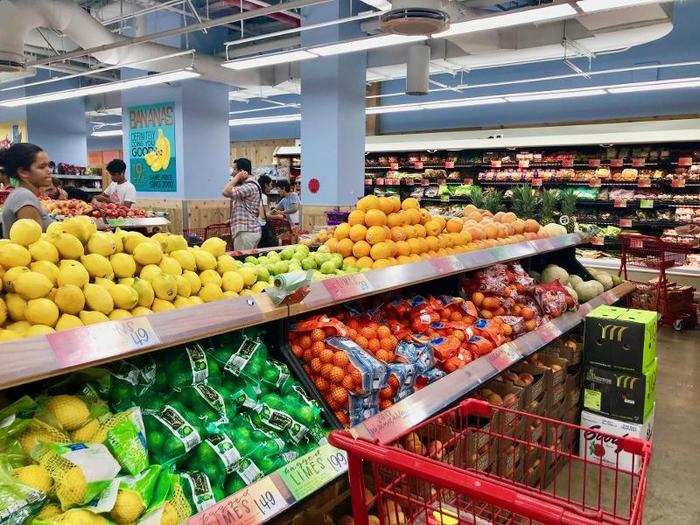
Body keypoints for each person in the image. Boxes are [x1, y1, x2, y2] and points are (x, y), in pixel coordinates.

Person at [0, 142, 54, 236]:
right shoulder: (24, 197)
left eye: (49, 166)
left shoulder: (21, 194)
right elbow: (33, 243)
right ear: (23, 172)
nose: (49, 171)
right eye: (42, 167)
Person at [222, 158, 262, 250]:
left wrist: (236, 178)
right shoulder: (246, 185)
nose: (232, 173)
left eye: (234, 170)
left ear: (241, 171)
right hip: (249, 231)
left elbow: (225, 192)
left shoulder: (250, 186)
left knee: (242, 262)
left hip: (246, 232)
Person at [257, 175, 278, 248]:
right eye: (270, 185)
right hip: (262, 227)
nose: (271, 187)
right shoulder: (264, 197)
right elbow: (263, 216)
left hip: (255, 227)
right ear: (266, 185)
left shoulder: (256, 195)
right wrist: (278, 216)